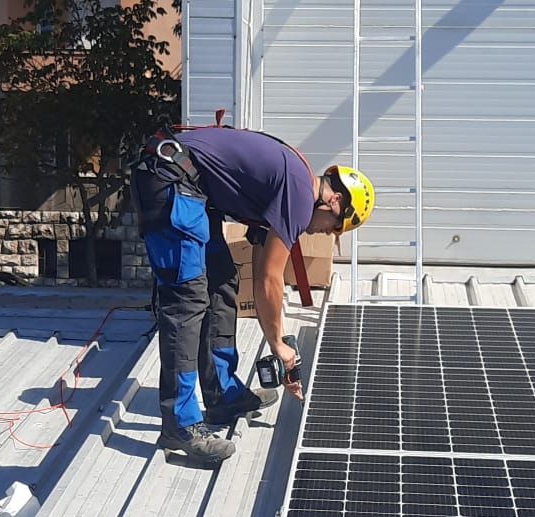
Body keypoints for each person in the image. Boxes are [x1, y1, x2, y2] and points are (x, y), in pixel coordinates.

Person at [130, 127, 375, 465]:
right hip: (169, 179)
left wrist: (280, 337)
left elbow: (263, 276)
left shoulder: (293, 185)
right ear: (334, 201)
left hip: (191, 185)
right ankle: (180, 425)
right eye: (334, 226)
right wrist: (278, 346)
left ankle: (222, 395)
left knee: (223, 281)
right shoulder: (300, 197)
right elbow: (270, 282)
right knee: (187, 300)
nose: (324, 233)